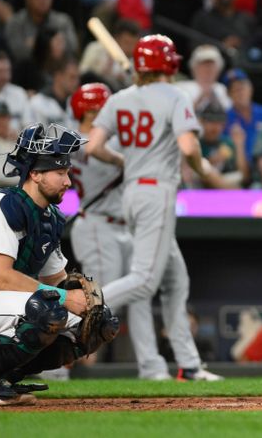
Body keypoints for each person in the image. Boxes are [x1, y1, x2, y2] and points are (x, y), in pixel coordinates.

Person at [85, 34, 223, 381]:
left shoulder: (119, 99)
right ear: (170, 64)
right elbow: (187, 143)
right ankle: (79, 305)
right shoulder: (176, 95)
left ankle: (190, 366)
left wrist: (126, 162)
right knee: (145, 281)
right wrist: (202, 167)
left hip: (132, 193)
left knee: (176, 280)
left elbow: (94, 147)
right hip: (156, 193)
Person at [0, 123, 118, 406]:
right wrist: (63, 297)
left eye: (67, 172)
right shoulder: (2, 206)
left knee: (97, 323)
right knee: (47, 309)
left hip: (0, 311)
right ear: (34, 173)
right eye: (60, 172)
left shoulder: (50, 218)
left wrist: (77, 296)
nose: (68, 181)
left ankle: (3, 376)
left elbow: (56, 279)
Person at [68, 83, 171, 379]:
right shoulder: (85, 144)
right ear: (90, 111)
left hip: (122, 226)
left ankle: (151, 367)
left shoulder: (101, 142)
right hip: (99, 226)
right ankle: (61, 364)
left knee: (139, 292)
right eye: (104, 107)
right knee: (99, 301)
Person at [5, 0, 78, 63]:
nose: (43, 0)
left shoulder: (63, 21)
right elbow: (16, 51)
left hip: (57, 69)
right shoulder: (15, 22)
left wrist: (35, 45)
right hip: (25, 70)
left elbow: (73, 47)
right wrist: (52, 46)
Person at [222, 68, 262, 160]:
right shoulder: (224, 118)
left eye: (242, 88)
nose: (240, 93)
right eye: (235, 90)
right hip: (235, 166)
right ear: (228, 94)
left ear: (251, 88)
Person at [26, 56, 79, 129]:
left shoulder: (76, 102)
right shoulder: (37, 103)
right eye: (72, 77)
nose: (76, 82)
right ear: (58, 76)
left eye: (77, 77)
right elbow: (32, 137)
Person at [0, 51, 31, 132]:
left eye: (7, 71)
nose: (4, 76)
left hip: (15, 142)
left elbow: (30, 126)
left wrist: (19, 137)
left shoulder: (19, 93)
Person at [176, 44, 231, 112]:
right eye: (204, 64)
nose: (208, 69)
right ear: (194, 67)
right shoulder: (181, 88)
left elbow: (230, 117)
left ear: (218, 69)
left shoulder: (222, 89)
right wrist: (201, 99)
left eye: (212, 65)